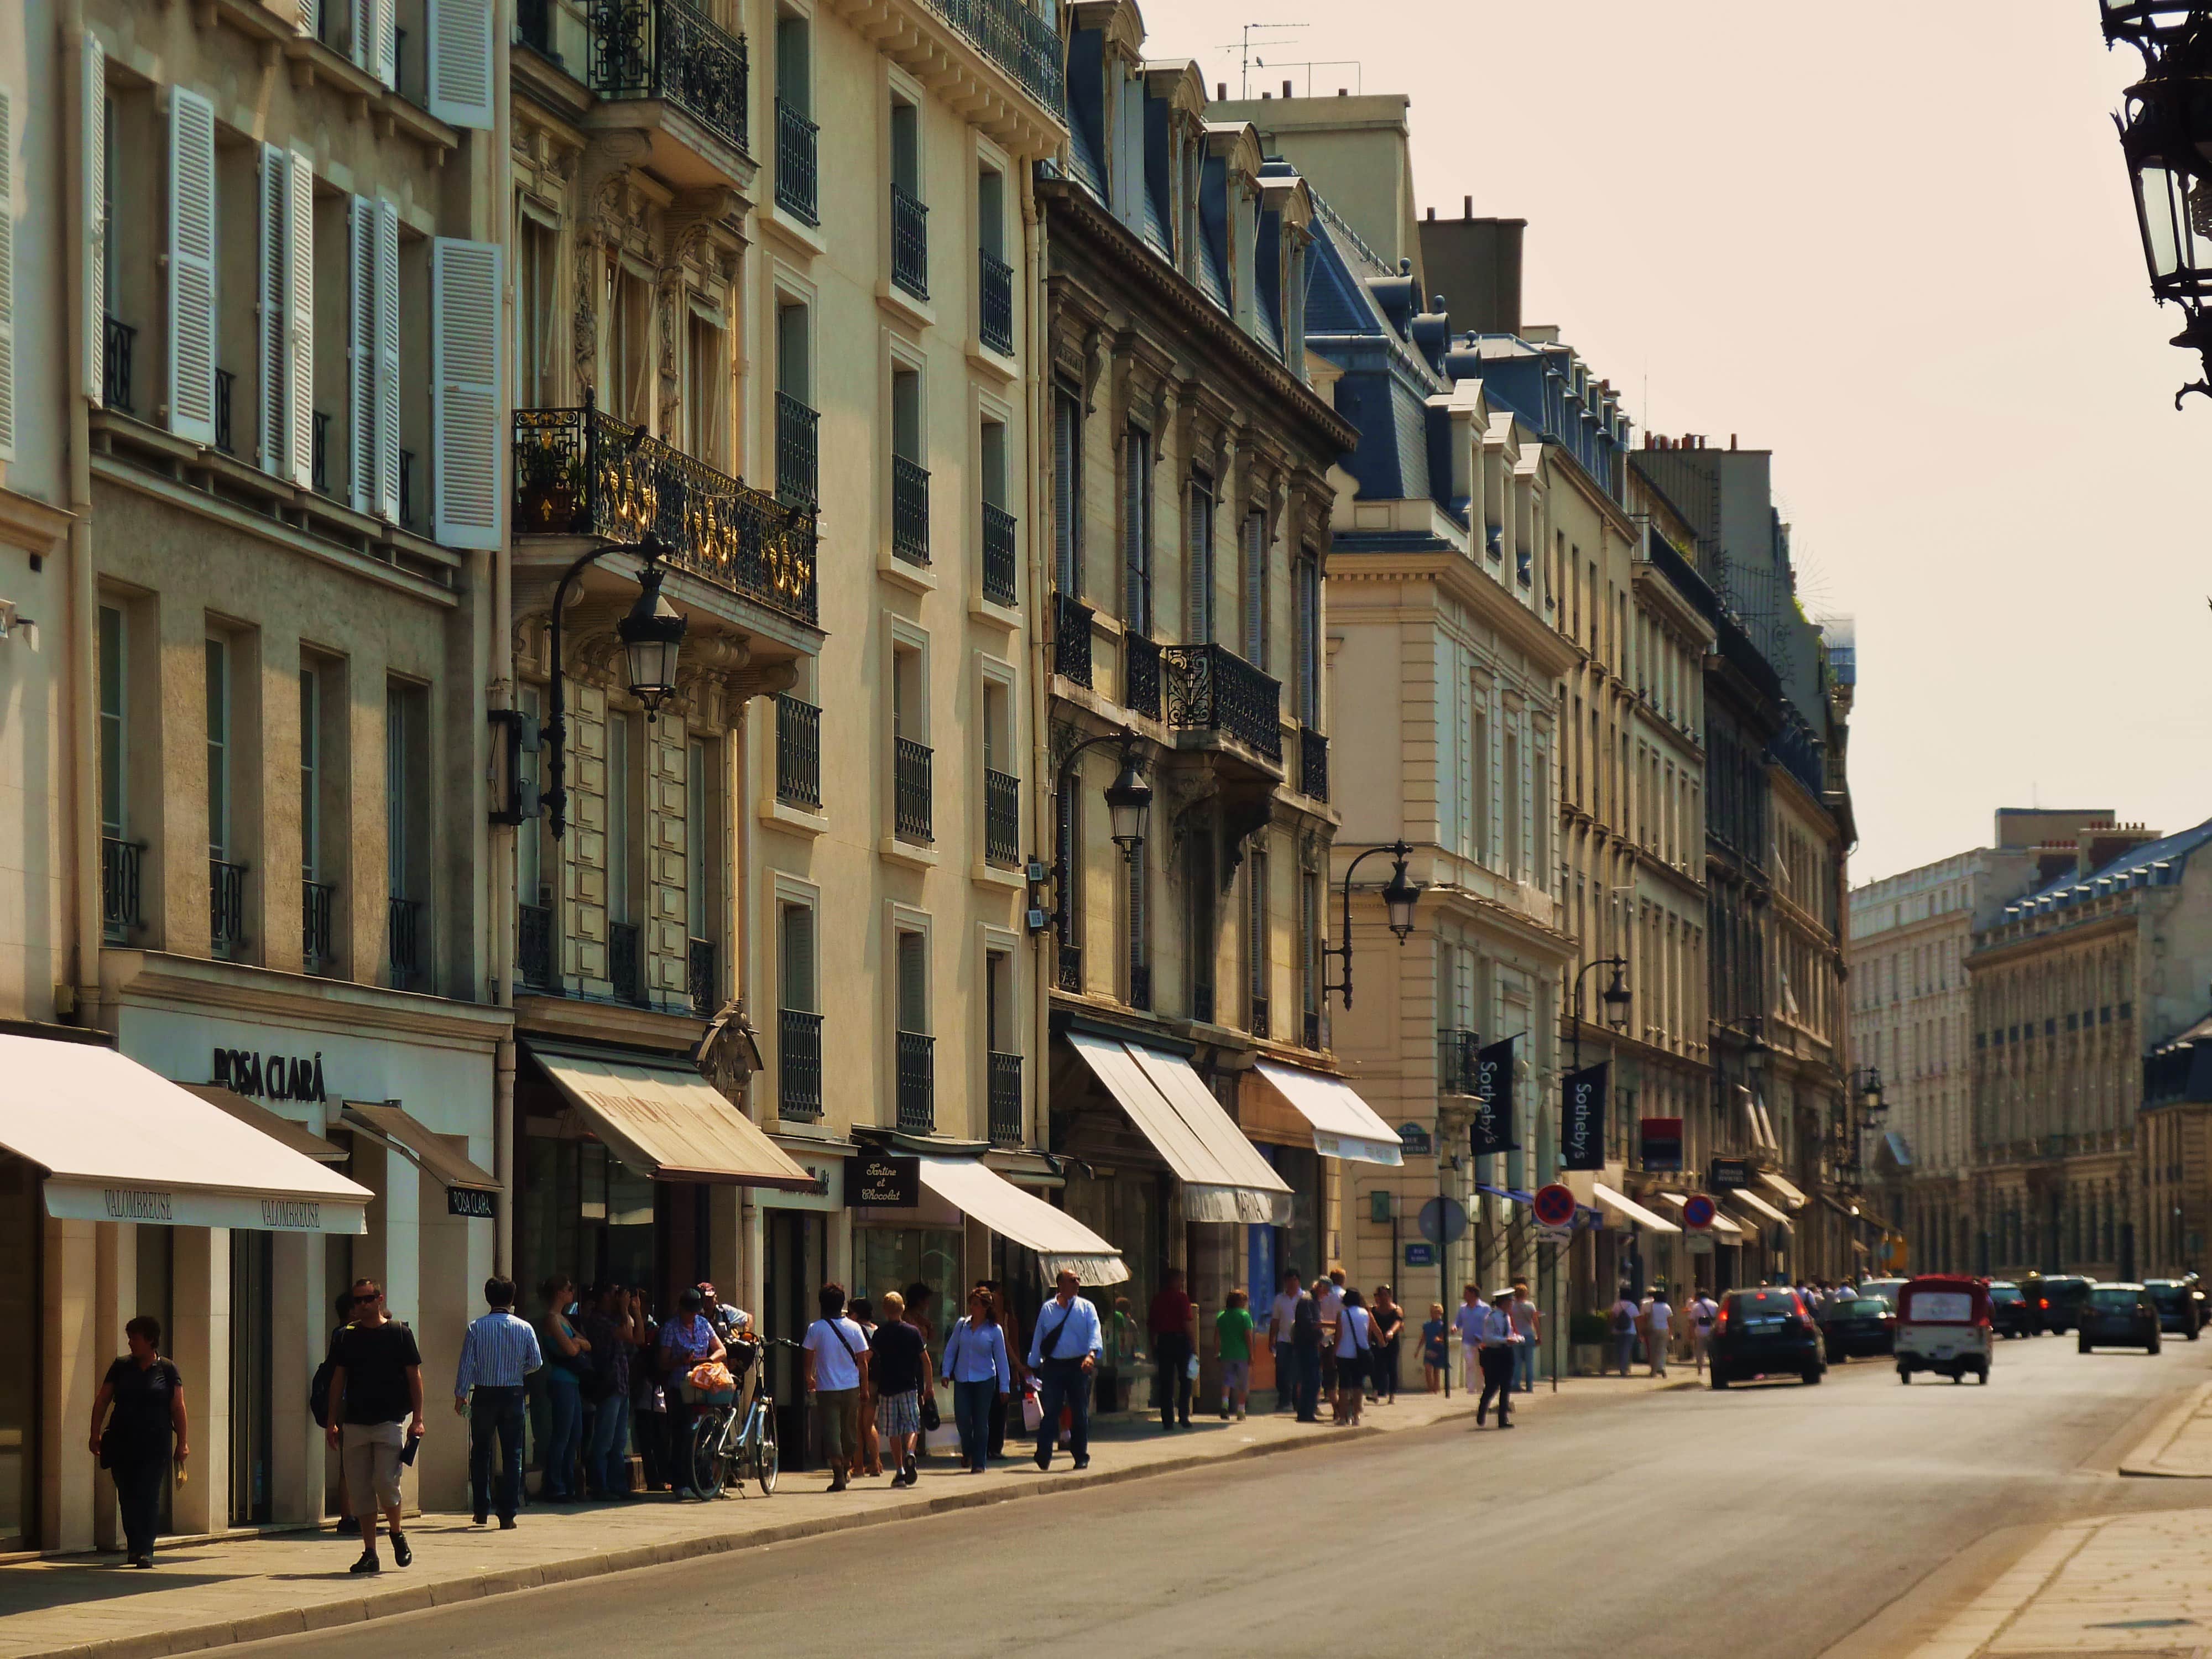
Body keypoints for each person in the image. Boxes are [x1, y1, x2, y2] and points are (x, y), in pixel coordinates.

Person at [324, 1280, 424, 1575]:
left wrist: (417, 1419)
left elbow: (414, 1377)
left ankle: (395, 1531)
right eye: (357, 1301)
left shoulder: (399, 1334)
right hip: (355, 1422)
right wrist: (332, 1422)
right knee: (360, 1490)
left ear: (380, 1299)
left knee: (386, 1482)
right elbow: (338, 1381)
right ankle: (370, 1552)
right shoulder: (346, 1337)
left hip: (389, 1420)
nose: (362, 1305)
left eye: (368, 1299)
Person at [90, 1316, 186, 1568]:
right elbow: (102, 1401)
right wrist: (94, 1433)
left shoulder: (167, 1369)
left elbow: (178, 1407)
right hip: (122, 1443)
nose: (130, 1342)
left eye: (135, 1337)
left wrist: (183, 1443)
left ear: (150, 1340)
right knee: (128, 1497)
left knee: (149, 1495)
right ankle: (135, 1545)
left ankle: (146, 1549)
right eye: (129, 1337)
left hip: (155, 1445)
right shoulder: (121, 1366)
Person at [453, 1276, 541, 1528]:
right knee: (513, 1454)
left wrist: (460, 1395)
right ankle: (508, 1513)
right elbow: (536, 1362)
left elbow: (466, 1364)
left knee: (481, 1451)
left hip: (484, 1394)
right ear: (512, 1299)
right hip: (513, 1393)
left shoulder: (476, 1327)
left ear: (487, 1298)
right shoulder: (524, 1327)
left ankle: (481, 1509)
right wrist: (516, 1370)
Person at [1027, 1267, 1102, 1471]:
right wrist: (1032, 1364)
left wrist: (1091, 1356)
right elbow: (1039, 1338)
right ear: (1060, 1285)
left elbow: (1095, 1333)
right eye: (1072, 1280)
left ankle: (1081, 1455)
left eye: (1078, 1279)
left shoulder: (1087, 1308)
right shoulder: (1048, 1309)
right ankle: (1043, 1454)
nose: (1077, 1283)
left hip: (1079, 1365)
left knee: (1079, 1411)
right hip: (1053, 1366)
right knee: (1051, 1411)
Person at [802, 1284, 869, 1493]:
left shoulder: (816, 1328)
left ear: (822, 1304)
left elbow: (808, 1356)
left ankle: (838, 1472)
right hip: (851, 1387)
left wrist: (808, 1377)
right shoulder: (854, 1328)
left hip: (826, 1388)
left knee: (831, 1431)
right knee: (849, 1431)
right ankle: (847, 1465)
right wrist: (865, 1388)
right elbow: (863, 1361)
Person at [941, 1286, 1012, 1474]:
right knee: (963, 1419)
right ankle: (968, 1451)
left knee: (981, 1422)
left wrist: (1005, 1386)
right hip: (963, 1378)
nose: (971, 1308)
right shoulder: (962, 1325)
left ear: (985, 1308)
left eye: (975, 1304)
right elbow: (951, 1350)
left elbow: (1002, 1359)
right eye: (971, 1304)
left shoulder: (995, 1331)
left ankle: (979, 1462)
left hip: (985, 1379)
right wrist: (946, 1372)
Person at [579, 1282, 634, 1498]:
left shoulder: (613, 1319)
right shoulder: (598, 1321)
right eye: (614, 1295)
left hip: (621, 1385)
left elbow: (637, 1336)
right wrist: (623, 1309)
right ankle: (599, 1485)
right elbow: (626, 1335)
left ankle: (618, 1486)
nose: (617, 1298)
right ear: (603, 1298)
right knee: (605, 1439)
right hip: (608, 1386)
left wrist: (633, 1310)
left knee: (619, 1442)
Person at [869, 1290, 927, 1487]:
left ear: (885, 1311)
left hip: (887, 1389)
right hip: (909, 1386)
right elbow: (925, 1361)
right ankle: (911, 1452)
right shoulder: (913, 1332)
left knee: (893, 1430)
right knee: (912, 1426)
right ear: (903, 1309)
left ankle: (900, 1470)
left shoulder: (880, 1334)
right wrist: (928, 1388)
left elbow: (868, 1358)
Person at [628, 1290, 670, 1493]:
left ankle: (662, 1477)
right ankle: (653, 1479)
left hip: (654, 1391)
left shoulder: (655, 1329)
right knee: (646, 1439)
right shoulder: (628, 1323)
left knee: (659, 1439)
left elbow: (644, 1344)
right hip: (638, 1391)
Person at [1148, 1267, 1196, 1431]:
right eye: (1181, 1279)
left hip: (1164, 1341)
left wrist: (1153, 1344)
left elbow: (1152, 1326)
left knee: (1166, 1382)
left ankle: (1167, 1420)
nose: (1182, 1282)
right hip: (1181, 1341)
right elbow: (1187, 1323)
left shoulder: (1157, 1299)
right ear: (1174, 1281)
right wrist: (1194, 1344)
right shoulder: (1182, 1298)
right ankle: (1184, 1416)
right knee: (1186, 1380)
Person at [979, 1281, 1022, 1459]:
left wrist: (1017, 1370)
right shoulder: (976, 1321)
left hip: (1001, 1368)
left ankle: (995, 1446)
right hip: (983, 1370)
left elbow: (1012, 1346)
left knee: (999, 1409)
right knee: (984, 1410)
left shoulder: (1006, 1320)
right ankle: (984, 1445)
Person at [847, 1295, 882, 1480]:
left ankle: (859, 1465)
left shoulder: (856, 1330)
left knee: (857, 1426)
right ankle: (876, 1463)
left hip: (861, 1380)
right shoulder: (877, 1330)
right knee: (869, 1424)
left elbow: (863, 1358)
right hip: (876, 1381)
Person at [1475, 1286, 1520, 1428]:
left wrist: (1517, 1338)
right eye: (1510, 1302)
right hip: (1494, 1354)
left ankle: (1503, 1419)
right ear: (1503, 1303)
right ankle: (1482, 1410)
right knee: (1492, 1387)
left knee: (1506, 1386)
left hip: (1507, 1353)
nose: (1512, 1305)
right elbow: (1487, 1338)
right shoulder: (1492, 1318)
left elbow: (1509, 1334)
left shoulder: (1507, 1317)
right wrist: (1505, 1340)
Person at [1268, 1270, 1307, 1414]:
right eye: (1289, 1280)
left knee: (1298, 1372)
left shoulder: (1305, 1297)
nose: (1292, 1283)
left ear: (1299, 1281)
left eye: (1295, 1280)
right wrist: (1272, 1338)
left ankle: (1297, 1401)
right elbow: (1275, 1320)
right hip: (1283, 1340)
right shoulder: (1280, 1299)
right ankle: (1284, 1400)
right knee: (1282, 1371)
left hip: (1299, 1340)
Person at [1334, 1288, 1373, 1426]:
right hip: (1361, 1353)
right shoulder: (1366, 1314)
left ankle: (1343, 1418)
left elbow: (1338, 1335)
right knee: (1358, 1386)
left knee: (1344, 1387)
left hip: (1344, 1353)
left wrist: (1334, 1351)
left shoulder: (1342, 1314)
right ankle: (1356, 1416)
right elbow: (1368, 1335)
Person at [1215, 1288, 1254, 1420]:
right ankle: (1241, 1411)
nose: (1245, 1304)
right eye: (1244, 1301)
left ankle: (1225, 1405)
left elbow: (1217, 1336)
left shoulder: (1221, 1316)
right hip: (1242, 1354)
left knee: (1227, 1381)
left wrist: (1217, 1352)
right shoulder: (1244, 1316)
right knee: (1243, 1383)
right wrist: (1251, 1354)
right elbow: (1248, 1336)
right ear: (1239, 1302)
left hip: (1226, 1353)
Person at [1290, 1289, 1324, 1423]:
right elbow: (1309, 1324)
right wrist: (1328, 1325)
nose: (1325, 1295)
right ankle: (1306, 1413)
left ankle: (1306, 1412)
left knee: (1312, 1380)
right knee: (1312, 1381)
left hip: (1310, 1345)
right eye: (1325, 1292)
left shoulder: (1311, 1301)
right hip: (1307, 1346)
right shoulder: (1307, 1301)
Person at [1314, 1270, 1346, 1403]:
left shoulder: (1323, 1296)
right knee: (1340, 1369)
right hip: (1340, 1336)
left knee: (1325, 1368)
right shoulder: (1344, 1296)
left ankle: (1328, 1392)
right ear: (1343, 1280)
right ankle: (1337, 1397)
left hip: (1323, 1336)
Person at [1369, 1287, 1404, 1405]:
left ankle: (1392, 1394)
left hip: (1391, 1343)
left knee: (1391, 1367)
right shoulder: (1373, 1310)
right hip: (1377, 1342)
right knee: (1375, 1367)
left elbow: (1398, 1322)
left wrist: (1391, 1332)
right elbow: (1371, 1326)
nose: (1383, 1297)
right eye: (1380, 1295)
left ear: (1389, 1296)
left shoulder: (1396, 1309)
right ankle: (1375, 1392)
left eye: (1385, 1295)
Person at [1454, 1285, 1487, 1392]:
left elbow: (1490, 1324)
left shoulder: (1485, 1308)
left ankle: (1480, 1387)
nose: (1464, 1295)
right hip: (1467, 1341)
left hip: (1481, 1341)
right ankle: (1471, 1388)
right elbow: (1458, 1322)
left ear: (1473, 1294)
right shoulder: (1463, 1309)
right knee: (1470, 1364)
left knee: (1480, 1365)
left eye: (1466, 1293)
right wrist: (1454, 1327)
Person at [1510, 1281, 1541, 1394]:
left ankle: (1516, 1384)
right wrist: (1539, 1336)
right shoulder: (1530, 1305)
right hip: (1528, 1335)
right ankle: (1529, 1386)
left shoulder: (1512, 1306)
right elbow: (1535, 1321)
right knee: (1529, 1362)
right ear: (1525, 1294)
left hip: (1516, 1336)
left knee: (1517, 1362)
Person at [1608, 1286, 1641, 1378]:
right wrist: (1640, 1333)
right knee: (1626, 1350)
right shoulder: (1633, 1306)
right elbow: (1637, 1321)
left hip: (1617, 1331)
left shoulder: (1616, 1305)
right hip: (1630, 1332)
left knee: (1619, 1350)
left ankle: (1622, 1367)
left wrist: (1610, 1329)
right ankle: (1624, 1369)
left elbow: (1612, 1318)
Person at [1689, 1287, 1719, 1376]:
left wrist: (1691, 1333)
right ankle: (1714, 1366)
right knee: (1713, 1351)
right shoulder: (1715, 1305)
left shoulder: (1696, 1306)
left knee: (1700, 1351)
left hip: (1700, 1331)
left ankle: (1700, 1369)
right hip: (1712, 1331)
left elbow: (1691, 1321)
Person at [1420, 1302, 1449, 1393]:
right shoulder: (1427, 1325)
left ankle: (1436, 1389)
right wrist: (1418, 1349)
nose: (1435, 1314)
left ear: (1440, 1313)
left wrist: (1439, 1339)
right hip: (1429, 1349)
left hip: (1438, 1349)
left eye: (1437, 1312)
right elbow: (1423, 1337)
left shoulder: (1442, 1325)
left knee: (1436, 1371)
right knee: (1428, 1368)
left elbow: (1444, 1337)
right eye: (1433, 1312)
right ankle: (1430, 1388)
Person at [1645, 1288, 1673, 1378]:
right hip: (1664, 1329)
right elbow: (1670, 1321)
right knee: (1662, 1349)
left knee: (1653, 1350)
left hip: (1653, 1329)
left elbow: (1647, 1318)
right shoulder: (1667, 1307)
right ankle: (1662, 1368)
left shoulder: (1651, 1306)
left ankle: (1653, 1371)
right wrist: (1670, 1332)